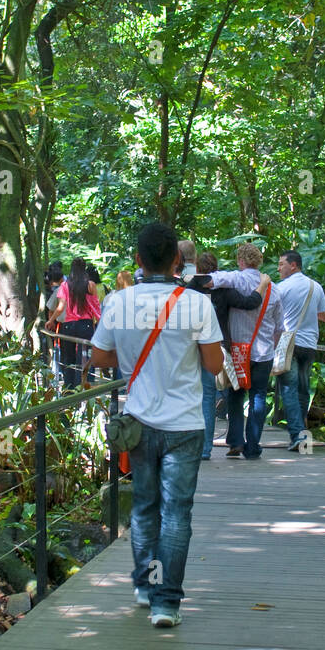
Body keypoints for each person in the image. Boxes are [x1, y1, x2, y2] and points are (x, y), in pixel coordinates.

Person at [89, 223, 223, 628]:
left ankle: (146, 587)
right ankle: (167, 604)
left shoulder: (118, 301)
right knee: (177, 513)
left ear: (139, 261)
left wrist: (130, 363)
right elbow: (214, 365)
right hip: (184, 424)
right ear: (178, 261)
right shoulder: (197, 303)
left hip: (139, 421)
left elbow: (98, 358)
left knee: (145, 506)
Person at [191, 252, 269, 459]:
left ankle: (188, 443)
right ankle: (205, 448)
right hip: (215, 345)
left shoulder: (188, 288)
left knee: (189, 394)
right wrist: (263, 284)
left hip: (188, 346)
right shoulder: (224, 291)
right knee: (209, 395)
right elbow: (251, 302)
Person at [207, 242, 282, 460]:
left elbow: (216, 280)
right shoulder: (273, 289)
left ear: (241, 261)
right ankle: (253, 446)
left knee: (236, 395)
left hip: (239, 351)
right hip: (264, 352)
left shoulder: (237, 280)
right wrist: (272, 348)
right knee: (259, 396)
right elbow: (279, 327)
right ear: (258, 261)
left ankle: (236, 441)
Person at [275, 250, 325, 452]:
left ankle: (297, 435)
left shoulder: (281, 288)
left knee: (288, 388)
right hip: (308, 344)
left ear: (294, 265)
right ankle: (303, 436)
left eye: (282, 264)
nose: (278, 268)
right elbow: (324, 316)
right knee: (303, 389)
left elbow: (273, 316)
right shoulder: (316, 287)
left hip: (288, 343)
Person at [48, 257, 101, 389]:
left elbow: (60, 307)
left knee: (68, 359)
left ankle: (69, 389)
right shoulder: (90, 285)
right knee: (84, 358)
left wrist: (51, 320)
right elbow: (95, 306)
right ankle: (83, 388)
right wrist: (101, 323)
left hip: (69, 326)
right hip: (86, 325)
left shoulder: (65, 286)